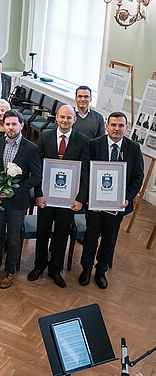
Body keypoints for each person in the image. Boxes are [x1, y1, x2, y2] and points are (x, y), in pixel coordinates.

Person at [78, 112, 145, 289]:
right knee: (91, 236)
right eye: (113, 125)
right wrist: (90, 198)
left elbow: (138, 177)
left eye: (121, 126)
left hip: (118, 205)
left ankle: (101, 270)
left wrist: (126, 198)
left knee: (109, 238)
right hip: (94, 204)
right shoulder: (93, 145)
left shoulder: (133, 148)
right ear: (106, 126)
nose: (117, 129)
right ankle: (86, 269)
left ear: (126, 128)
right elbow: (85, 173)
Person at [0, 110, 41, 289]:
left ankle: (10, 271)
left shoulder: (30, 148)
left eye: (14, 124)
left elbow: (36, 176)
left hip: (17, 201)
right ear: (3, 125)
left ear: (22, 125)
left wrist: (16, 189)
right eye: (8, 124)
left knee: (13, 238)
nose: (11, 127)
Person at [28, 105, 88, 288]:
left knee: (62, 235)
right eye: (62, 117)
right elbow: (38, 168)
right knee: (42, 232)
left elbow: (85, 172)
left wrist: (80, 198)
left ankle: (55, 270)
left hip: (68, 199)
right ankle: (39, 266)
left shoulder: (83, 141)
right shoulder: (45, 136)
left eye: (69, 118)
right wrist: (38, 194)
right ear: (56, 118)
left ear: (74, 120)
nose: (65, 121)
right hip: (47, 195)